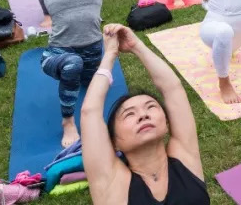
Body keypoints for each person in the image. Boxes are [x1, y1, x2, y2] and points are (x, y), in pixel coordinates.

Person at [81, 23, 209, 205]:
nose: (143, 115)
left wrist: (136, 46)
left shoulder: (185, 158)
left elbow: (172, 88)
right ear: (114, 143)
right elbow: (90, 112)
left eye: (151, 107)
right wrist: (109, 55)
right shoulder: (112, 185)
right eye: (129, 114)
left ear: (166, 124)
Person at [32, 0, 105, 146]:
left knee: (85, 74)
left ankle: (79, 73)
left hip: (93, 50)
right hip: (59, 51)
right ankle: (68, 122)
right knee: (72, 65)